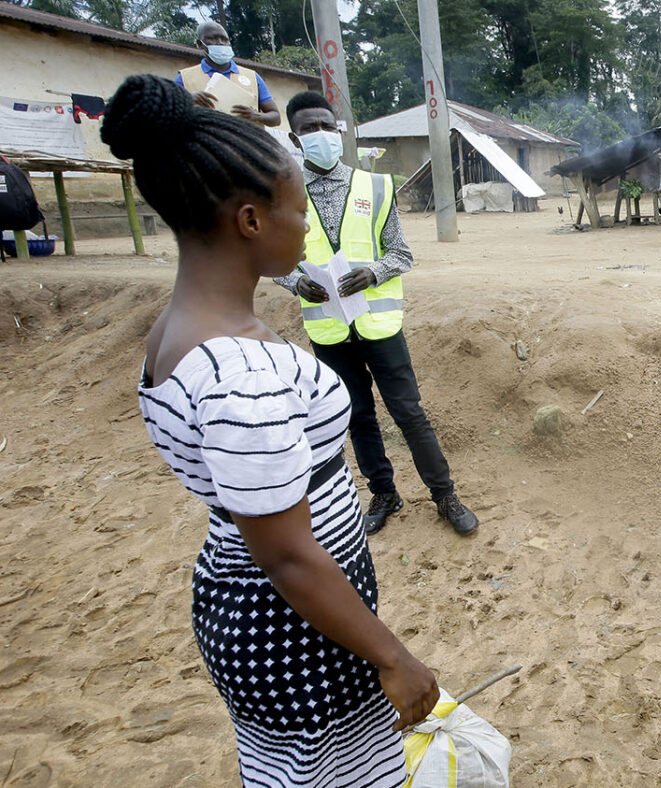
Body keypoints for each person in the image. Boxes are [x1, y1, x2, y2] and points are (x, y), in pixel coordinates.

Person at [109, 74, 437, 786]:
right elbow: (289, 558)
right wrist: (393, 657)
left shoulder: (178, 330)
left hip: (249, 597)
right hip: (294, 631)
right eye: (296, 209)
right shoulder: (241, 375)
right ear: (251, 221)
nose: (306, 225)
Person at [273, 91, 478, 537]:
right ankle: (383, 493)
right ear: (294, 136)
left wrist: (373, 272)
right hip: (328, 328)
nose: (320, 135)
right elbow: (274, 260)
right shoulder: (281, 194)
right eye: (310, 129)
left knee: (408, 412)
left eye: (327, 126)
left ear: (339, 131)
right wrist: (294, 282)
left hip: (380, 324)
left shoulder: (376, 186)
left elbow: (401, 254)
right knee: (357, 414)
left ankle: (444, 495)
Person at [175, 21, 281, 127]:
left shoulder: (252, 77)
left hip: (246, 142)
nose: (220, 42)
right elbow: (167, 114)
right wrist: (187, 100)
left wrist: (255, 116)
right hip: (204, 141)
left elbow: (276, 118)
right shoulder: (184, 78)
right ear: (200, 44)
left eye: (224, 39)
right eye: (213, 38)